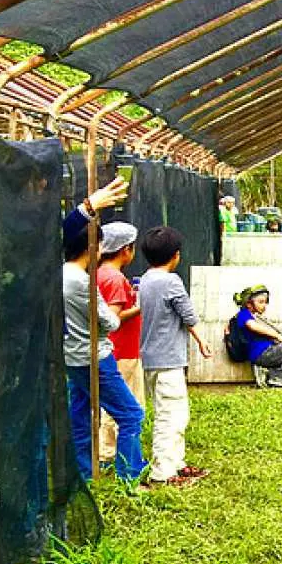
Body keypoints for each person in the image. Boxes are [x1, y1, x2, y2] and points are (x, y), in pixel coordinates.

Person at [62, 193, 149, 488]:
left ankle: (84, 473)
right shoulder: (83, 281)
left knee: (81, 414)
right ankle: (130, 475)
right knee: (131, 414)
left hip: (72, 356)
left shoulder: (61, 274)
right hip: (95, 356)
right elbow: (110, 321)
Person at [139, 226, 212, 487]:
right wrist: (202, 342)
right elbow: (189, 316)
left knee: (172, 414)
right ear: (176, 255)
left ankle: (176, 464)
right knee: (170, 416)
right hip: (168, 361)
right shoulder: (171, 281)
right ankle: (162, 473)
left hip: (148, 359)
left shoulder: (145, 279)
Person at [95, 222, 144, 471]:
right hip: (121, 350)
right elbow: (113, 319)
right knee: (124, 408)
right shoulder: (114, 278)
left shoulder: (99, 273)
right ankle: (111, 456)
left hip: (118, 350)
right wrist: (139, 306)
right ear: (126, 249)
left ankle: (110, 454)